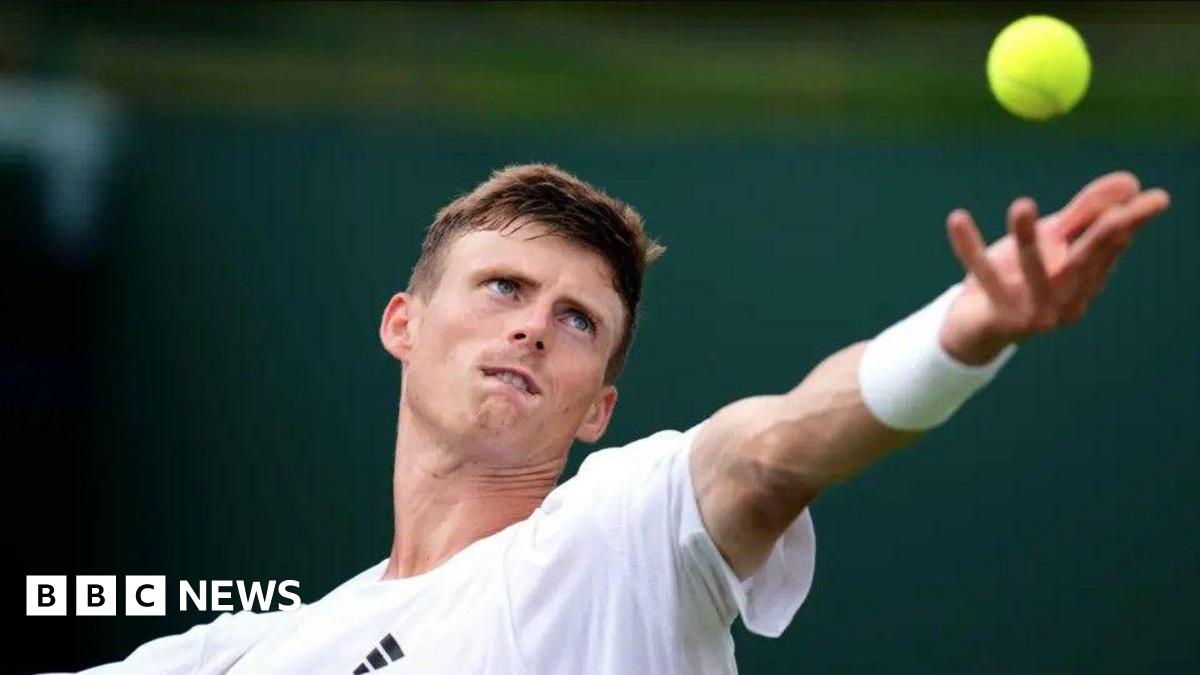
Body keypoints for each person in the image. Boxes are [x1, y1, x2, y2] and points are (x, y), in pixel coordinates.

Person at [61, 164, 1169, 674]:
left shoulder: (615, 540)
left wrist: (959, 335)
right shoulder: (245, 649)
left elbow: (773, 451)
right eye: (503, 287)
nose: (533, 327)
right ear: (404, 322)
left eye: (577, 319)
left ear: (601, 409)